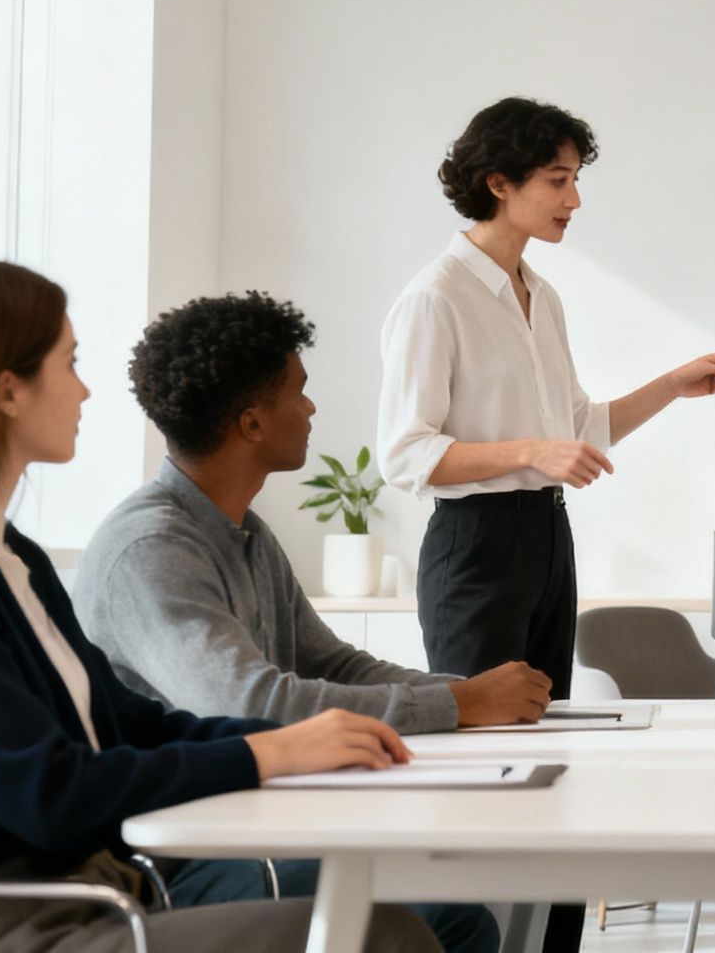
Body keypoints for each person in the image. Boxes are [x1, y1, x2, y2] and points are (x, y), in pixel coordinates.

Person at [0, 259, 436, 953]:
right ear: (7, 391)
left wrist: (308, 746)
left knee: (412, 918)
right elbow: (50, 794)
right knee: (386, 935)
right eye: (69, 363)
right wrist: (268, 751)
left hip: (99, 890)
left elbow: (129, 724)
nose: (86, 389)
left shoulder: (11, 556)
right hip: (6, 924)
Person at [377, 96, 715, 949]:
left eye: (575, 180)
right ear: (498, 182)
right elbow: (404, 454)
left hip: (546, 539)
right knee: (488, 770)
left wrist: (672, 384)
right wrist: (530, 453)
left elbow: (576, 431)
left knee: (552, 765)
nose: (573, 201)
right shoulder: (435, 298)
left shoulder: (539, 295)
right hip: (476, 547)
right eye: (557, 181)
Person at [74, 292, 542, 953]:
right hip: (174, 863)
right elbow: (249, 702)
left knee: (464, 892)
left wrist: (467, 694)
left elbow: (329, 661)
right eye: (300, 391)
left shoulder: (245, 533)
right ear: (252, 423)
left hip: (250, 820)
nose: (313, 407)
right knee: (451, 915)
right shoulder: (150, 548)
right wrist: (458, 703)